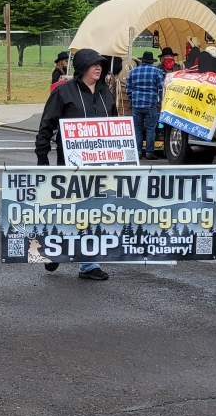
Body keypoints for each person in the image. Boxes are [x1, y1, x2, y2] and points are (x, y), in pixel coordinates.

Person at [35, 48, 116, 282]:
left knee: (93, 213)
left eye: (101, 64)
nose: (99, 67)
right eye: (94, 64)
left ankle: (89, 264)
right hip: (69, 166)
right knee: (67, 212)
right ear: (82, 68)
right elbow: (46, 125)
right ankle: (55, 251)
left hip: (100, 166)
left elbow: (116, 127)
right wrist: (42, 158)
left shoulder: (106, 94)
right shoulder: (63, 93)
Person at [126, 51, 164, 160]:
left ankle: (138, 152)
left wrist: (132, 100)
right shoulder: (157, 72)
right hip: (151, 105)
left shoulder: (133, 71)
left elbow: (128, 88)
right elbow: (161, 88)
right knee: (151, 129)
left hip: (136, 105)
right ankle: (149, 152)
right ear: (152, 61)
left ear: (142, 60)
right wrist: (159, 101)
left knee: (137, 129)